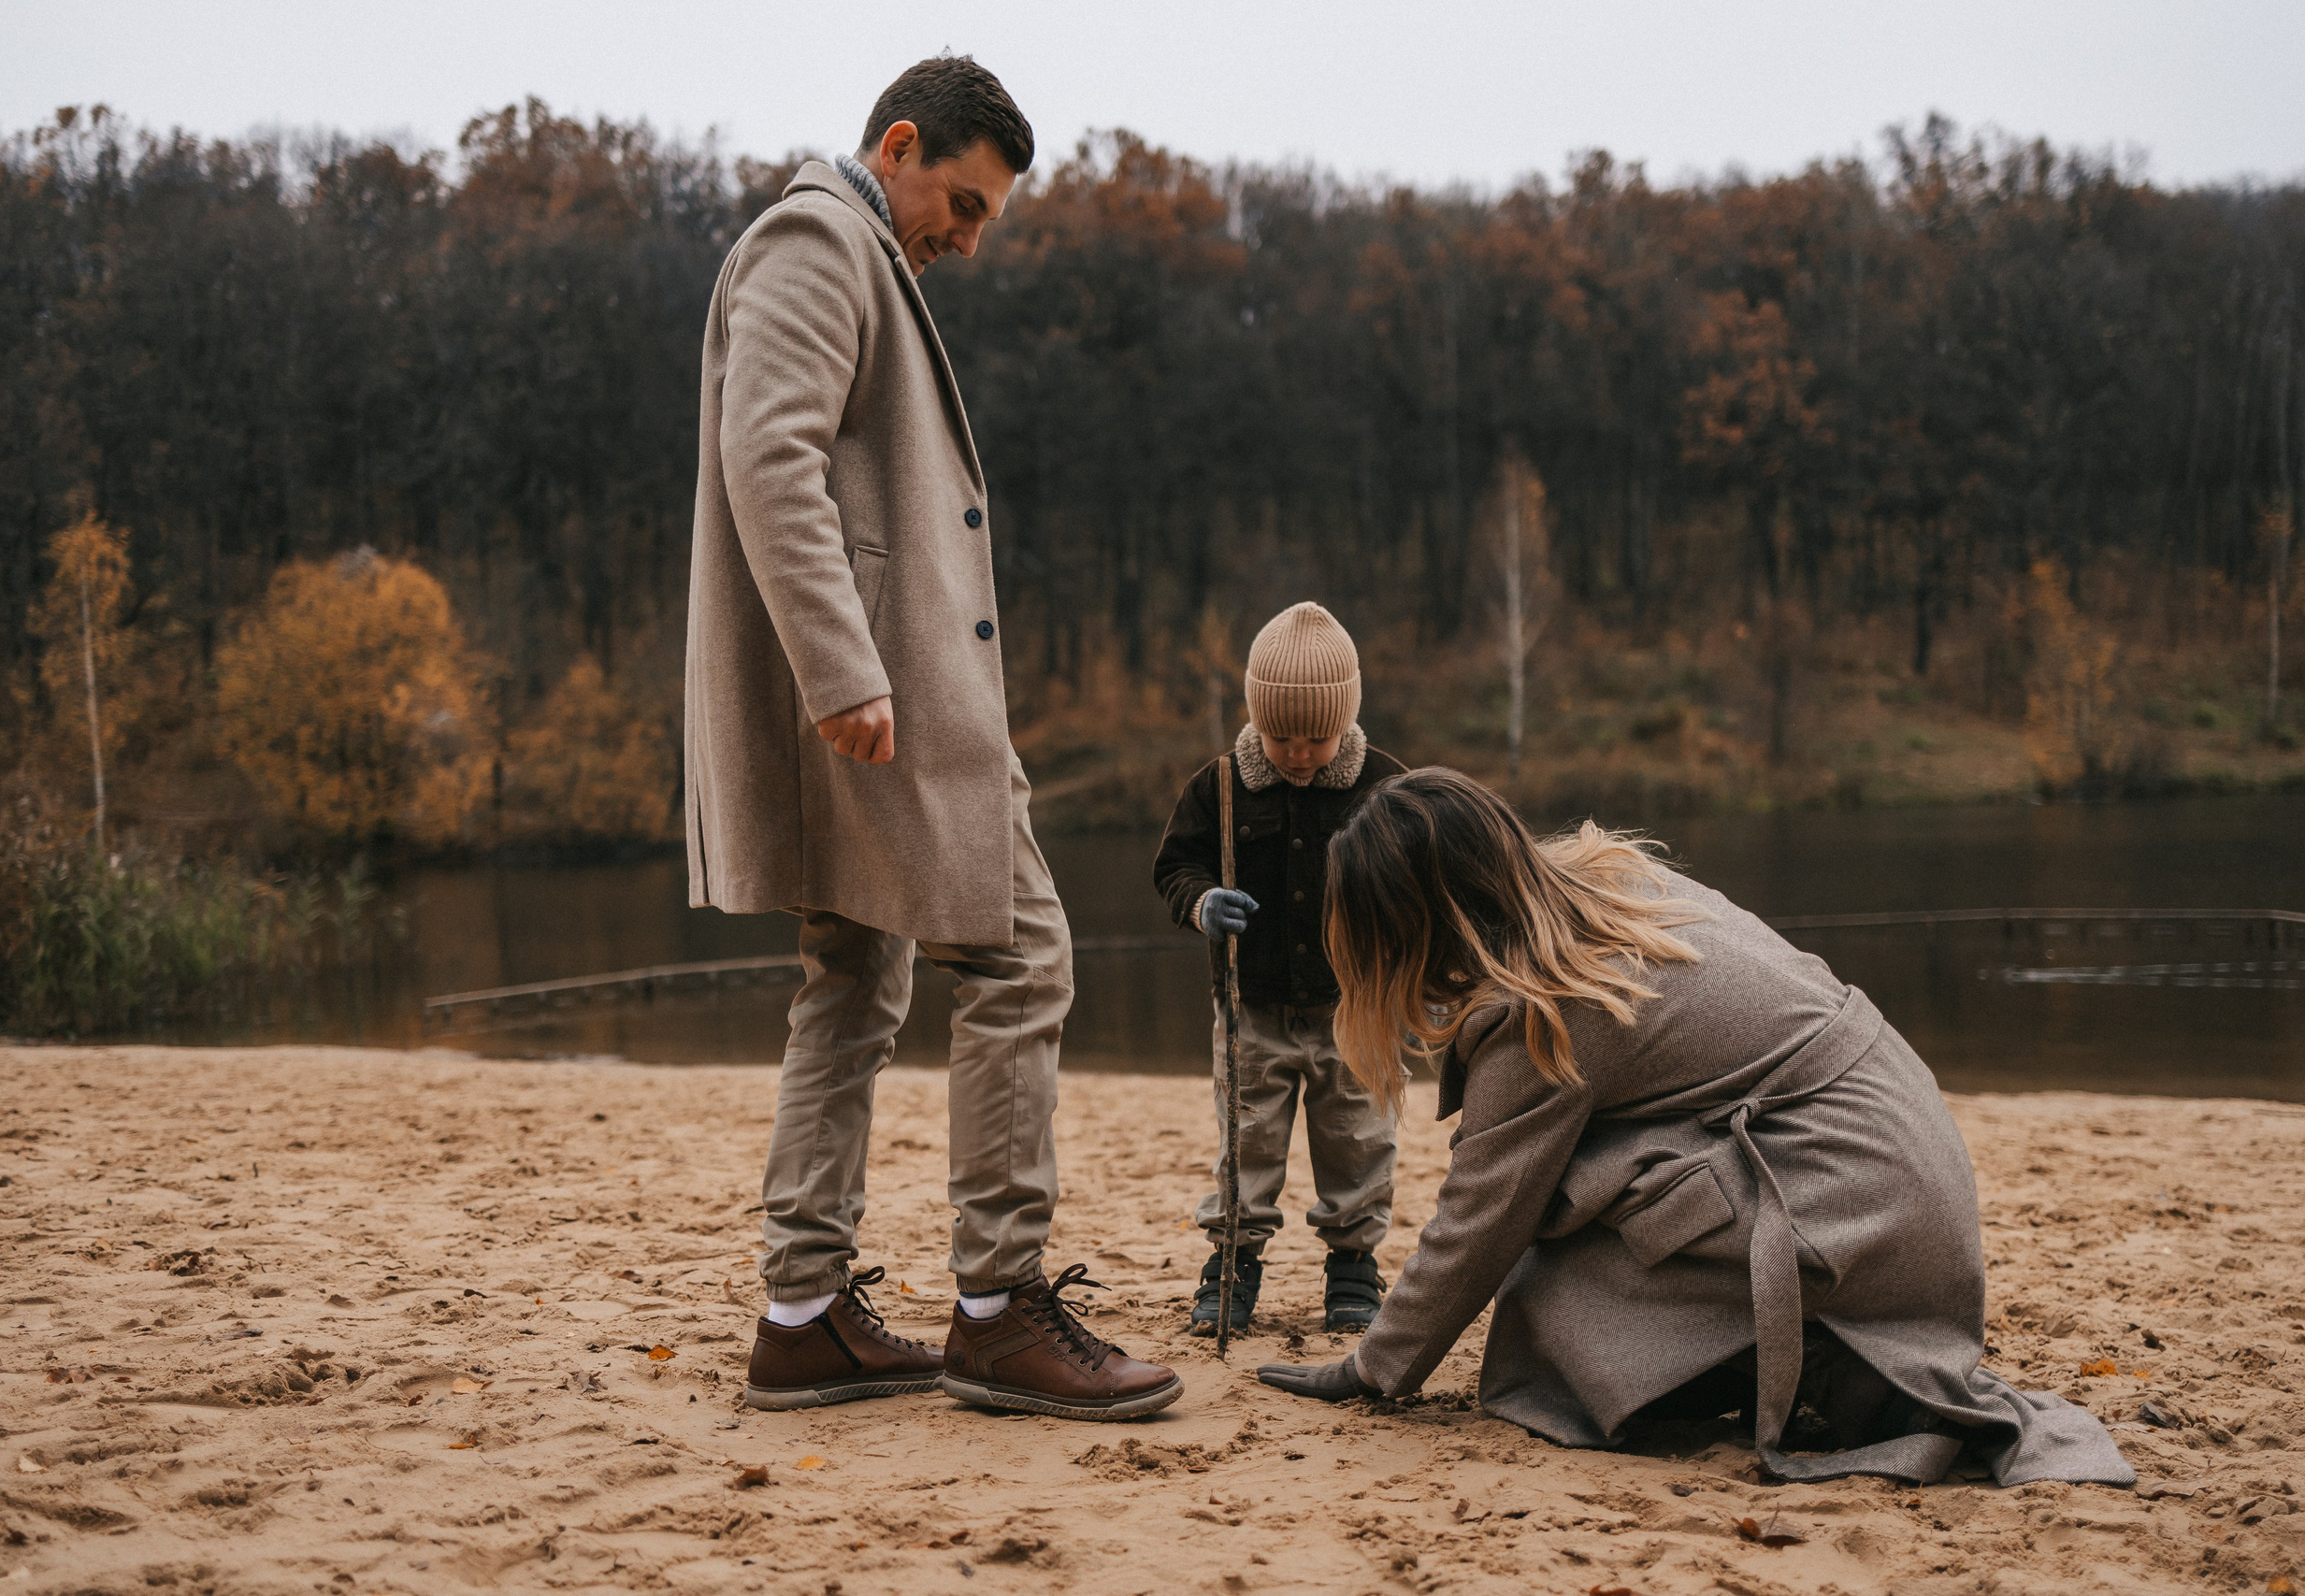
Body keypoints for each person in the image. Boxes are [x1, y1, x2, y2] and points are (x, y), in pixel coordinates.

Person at [682, 54, 1179, 1421]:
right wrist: (844, 670)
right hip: (879, 704)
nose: (965, 239)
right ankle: (999, 1309)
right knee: (1023, 957)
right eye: (958, 204)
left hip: (879, 702)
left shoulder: (852, 247)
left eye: (983, 220)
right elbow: (767, 453)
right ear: (897, 146)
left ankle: (803, 1317)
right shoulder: (816, 237)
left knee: (853, 982)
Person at [1256, 769, 2133, 1488]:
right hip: (1908, 1182)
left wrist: (1374, 1366)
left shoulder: (1547, 1008)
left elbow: (1478, 1217)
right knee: (1574, 1195)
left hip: (1855, 1209)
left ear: (1412, 931)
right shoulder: (1616, 882)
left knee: (1549, 1287)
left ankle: (1843, 1371)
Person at [1152, 602, 1407, 1337]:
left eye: (1317, 737)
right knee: (1246, 1143)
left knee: (1360, 1140)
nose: (1299, 752)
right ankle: (1232, 1267)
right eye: (1281, 736)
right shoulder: (1222, 786)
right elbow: (1175, 866)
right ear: (1256, 720)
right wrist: (1202, 903)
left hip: (1356, 1011)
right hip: (1250, 1010)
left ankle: (1354, 1269)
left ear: (1347, 719)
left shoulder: (1387, 787)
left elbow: (1428, 878)